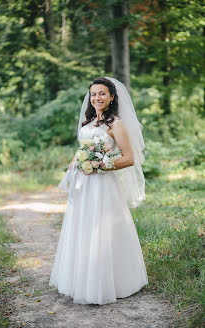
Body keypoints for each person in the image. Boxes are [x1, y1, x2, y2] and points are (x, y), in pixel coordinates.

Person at [49, 77, 148, 305]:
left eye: (102, 93)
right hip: (84, 185)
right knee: (82, 228)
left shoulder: (116, 124)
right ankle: (80, 281)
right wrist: (76, 164)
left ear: (112, 97)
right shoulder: (87, 123)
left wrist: (100, 165)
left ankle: (110, 282)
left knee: (103, 231)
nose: (97, 98)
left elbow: (129, 158)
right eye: (94, 94)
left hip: (104, 185)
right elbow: (81, 149)